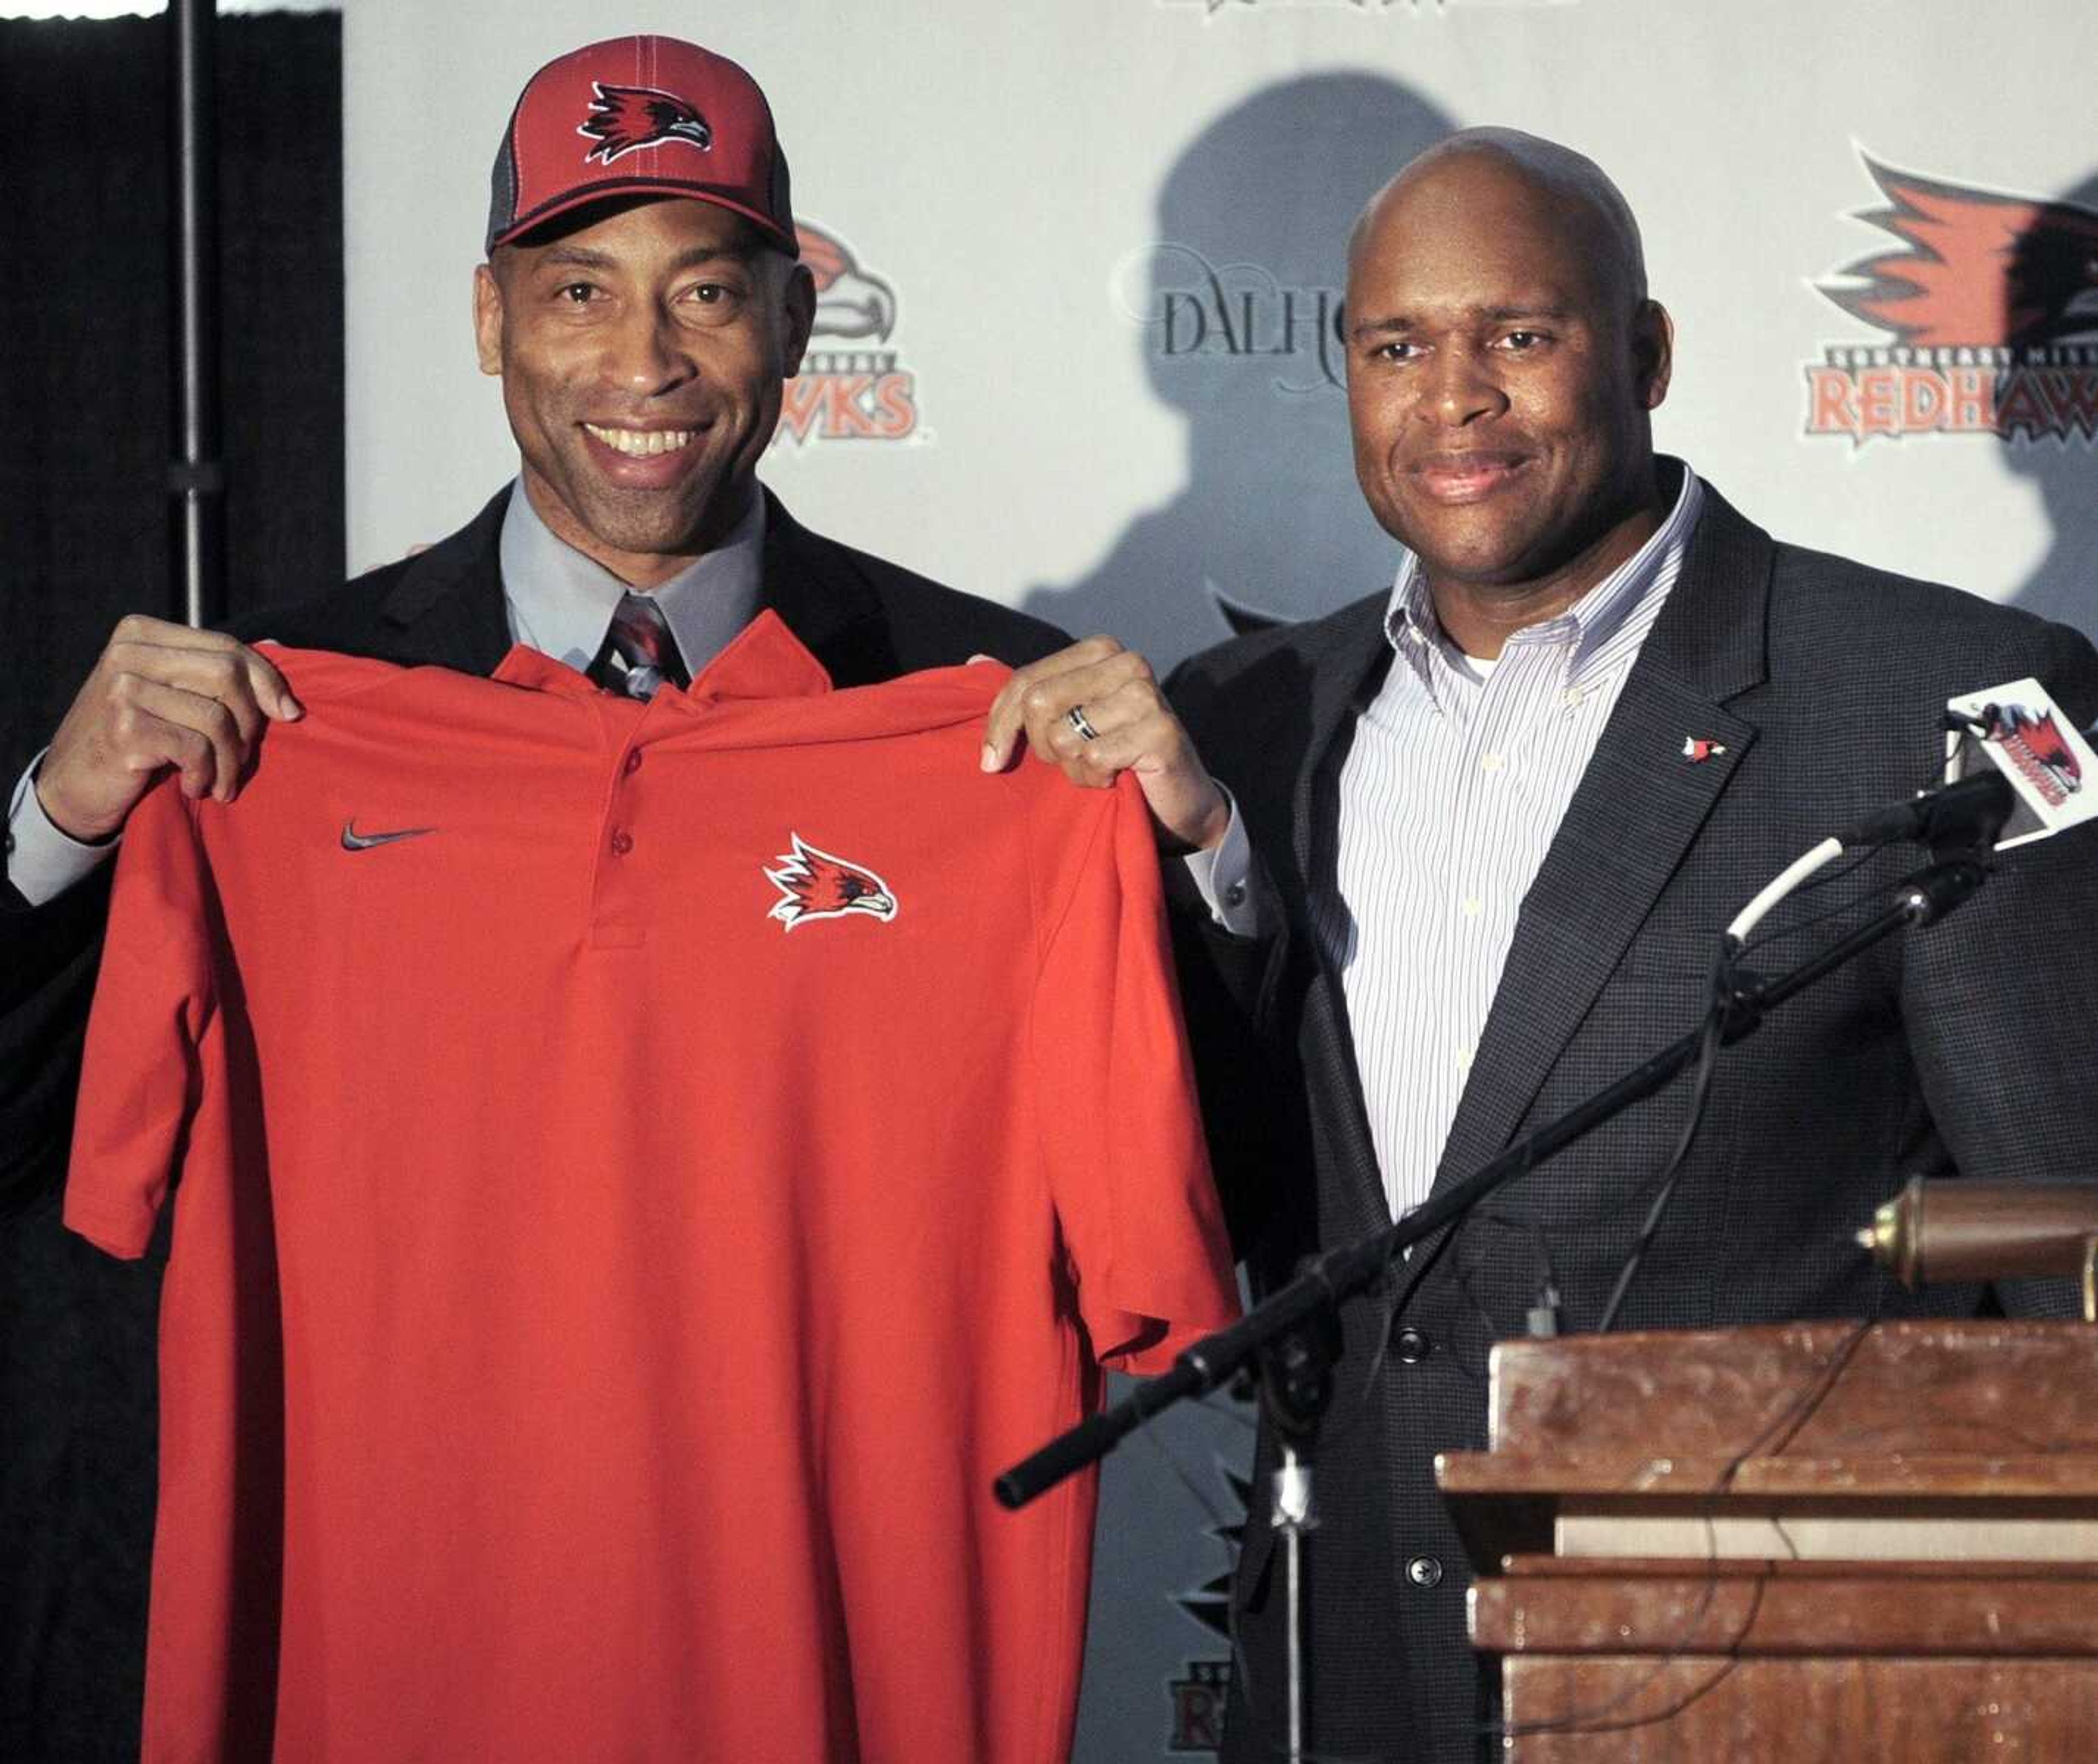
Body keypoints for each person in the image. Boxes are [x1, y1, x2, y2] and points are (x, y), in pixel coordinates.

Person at [986, 128, 2098, 1762]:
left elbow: (2065, 1241)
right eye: (1398, 346)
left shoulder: (1963, 699)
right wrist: (1207, 858)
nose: (1457, 399)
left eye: (1521, 335)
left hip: (1782, 1680)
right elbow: (1195, 1194)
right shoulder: (1237, 721)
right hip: (1350, 1660)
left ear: (1643, 352)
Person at [3, 34, 1065, 1165]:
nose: (645, 360)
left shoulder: (982, 705)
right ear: (491, 322)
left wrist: (1201, 858)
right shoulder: (274, 714)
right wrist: (57, 827)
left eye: (704, 292)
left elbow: (1221, 1177)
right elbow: (29, 1146)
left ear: (794, 324)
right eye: (578, 292)